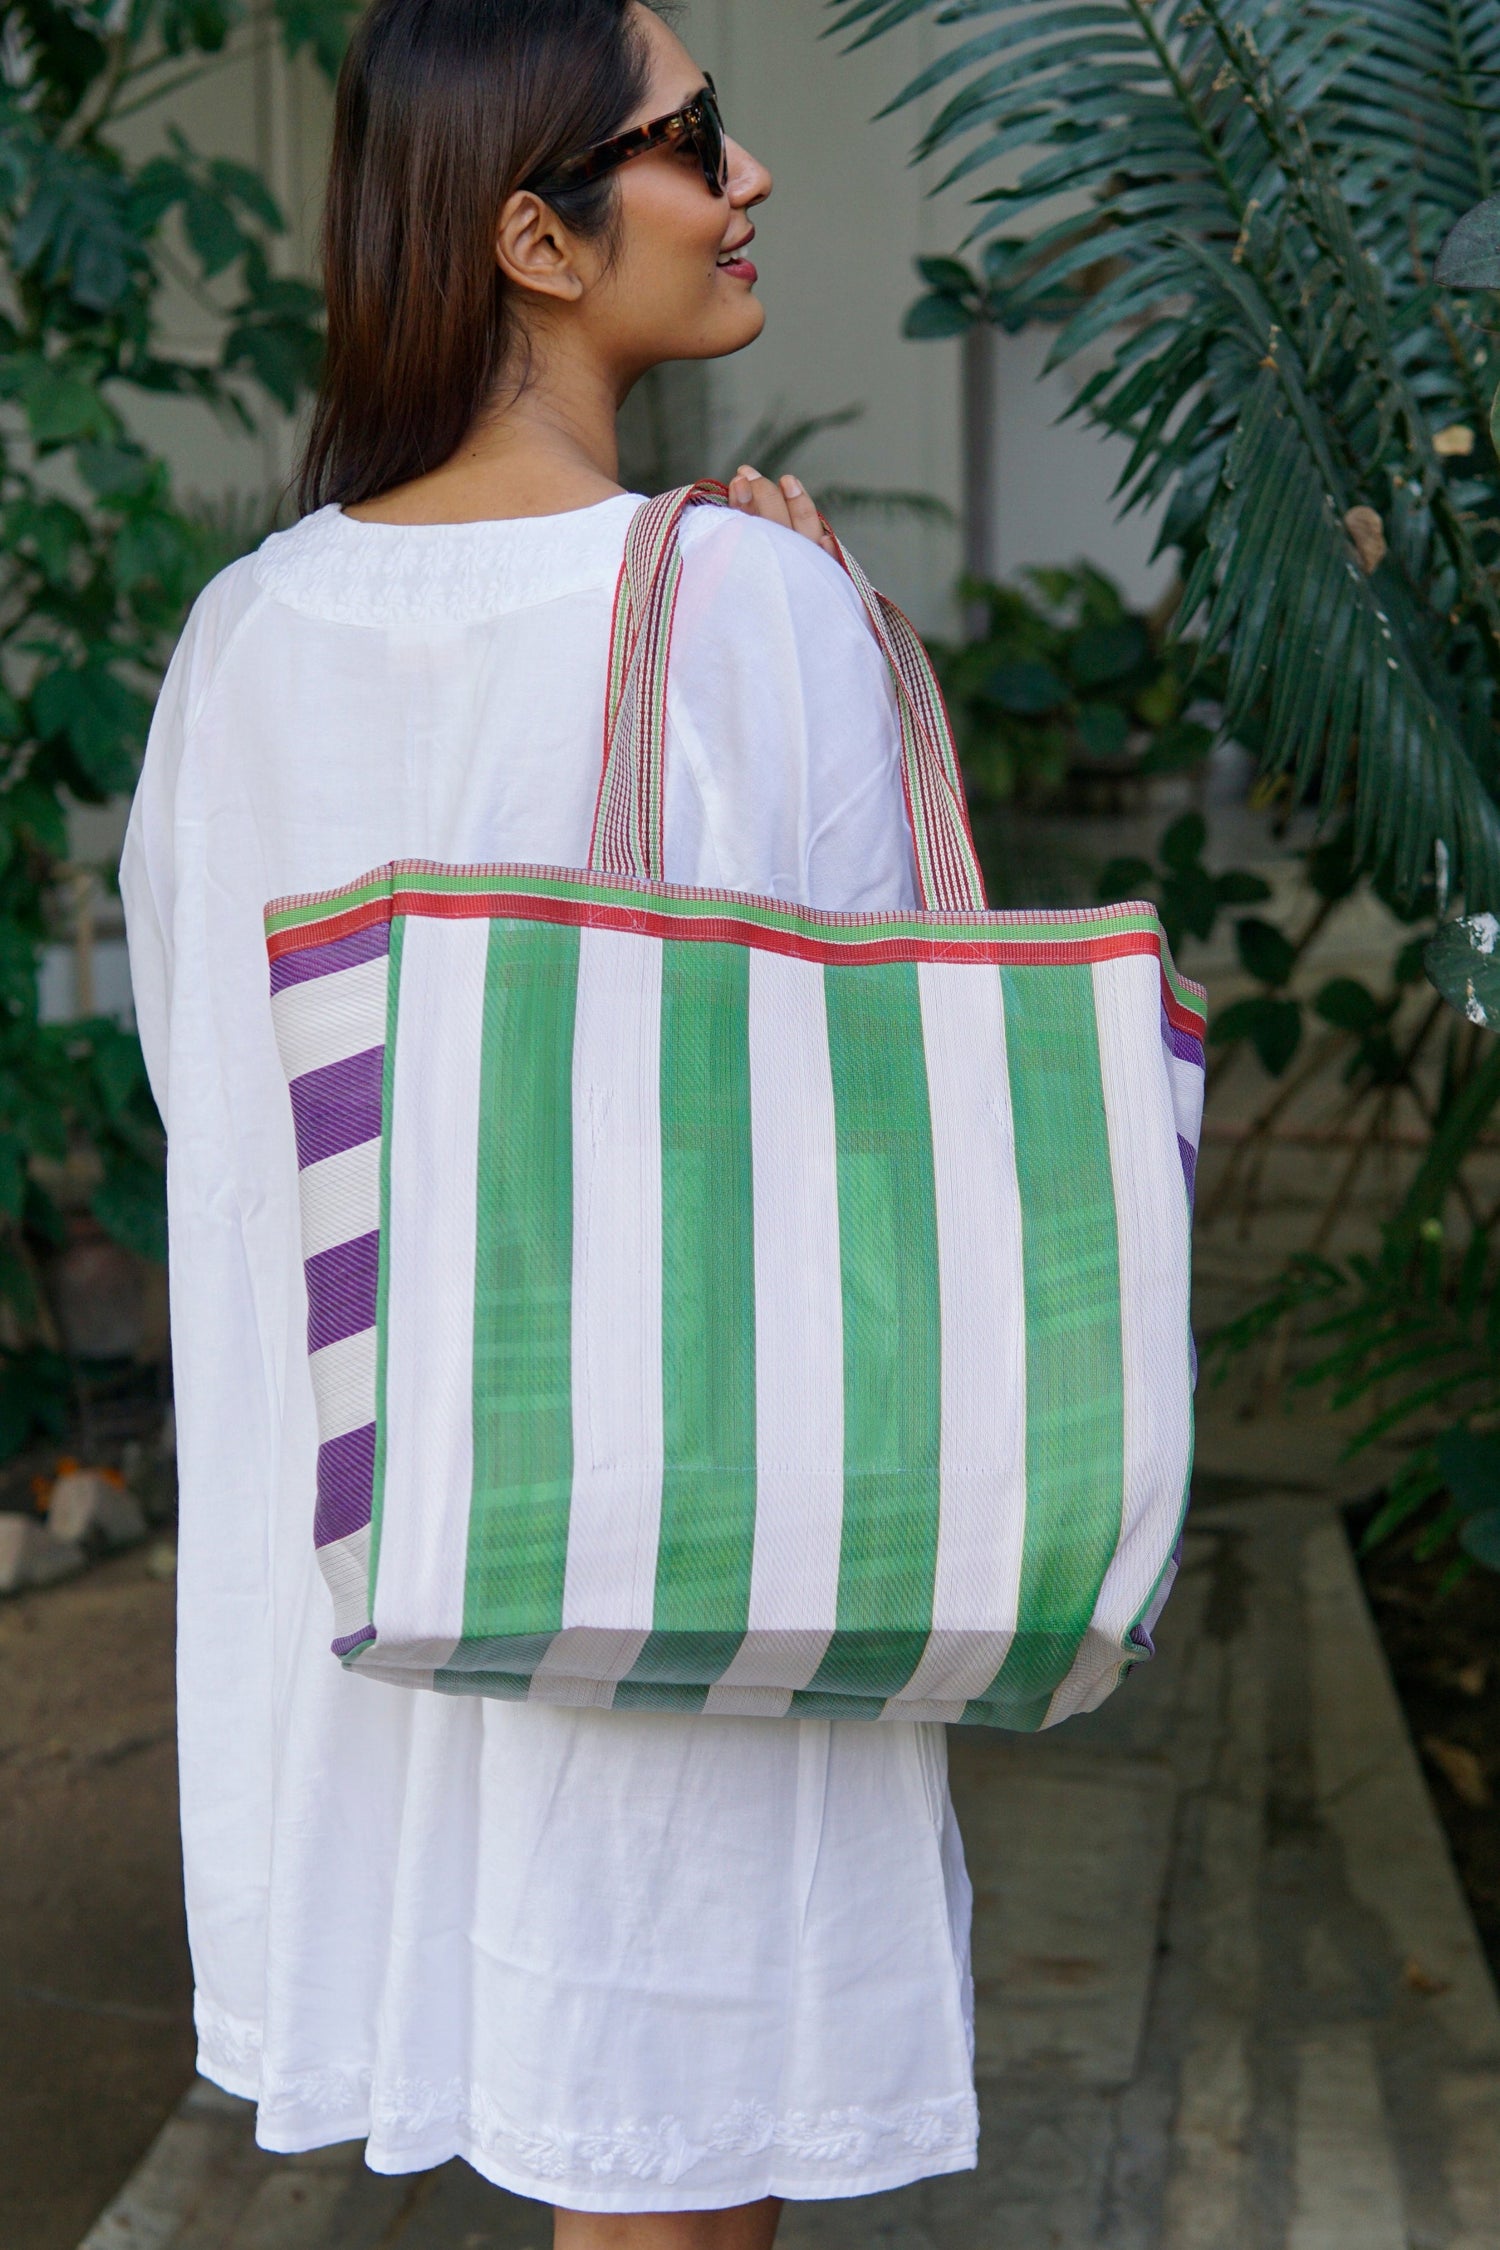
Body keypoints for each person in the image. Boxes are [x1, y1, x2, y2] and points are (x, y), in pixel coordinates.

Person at [121, 3, 977, 2243]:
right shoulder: (749, 603)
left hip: (369, 1568)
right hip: (684, 1557)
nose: (751, 176)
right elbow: (868, 1099)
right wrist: (847, 661)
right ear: (538, 235)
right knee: (680, 2169)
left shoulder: (240, 638)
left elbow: (221, 1119)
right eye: (696, 137)